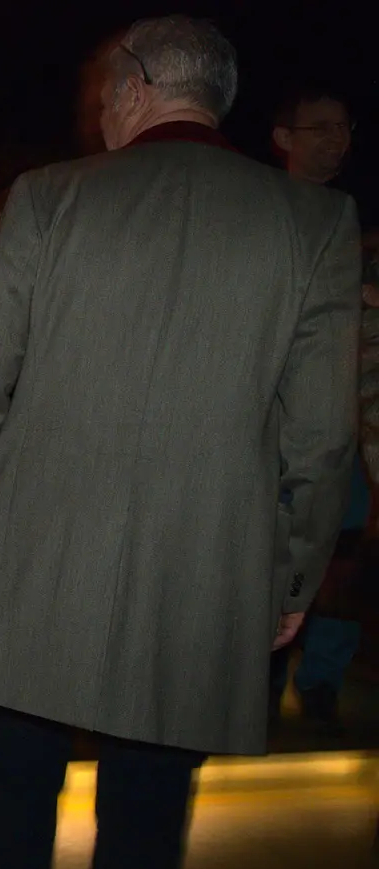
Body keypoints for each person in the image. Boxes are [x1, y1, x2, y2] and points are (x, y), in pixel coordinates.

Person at [0, 16, 361, 869]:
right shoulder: (310, 225)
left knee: (17, 794)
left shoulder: (50, 198)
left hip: (34, 549)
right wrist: (290, 575)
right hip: (203, 567)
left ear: (134, 85)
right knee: (149, 815)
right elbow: (320, 434)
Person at [268, 87, 371, 725]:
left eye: (346, 127)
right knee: (277, 538)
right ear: (285, 137)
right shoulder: (262, 208)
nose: (338, 139)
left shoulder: (351, 211)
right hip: (280, 412)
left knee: (346, 538)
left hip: (353, 414)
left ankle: (322, 679)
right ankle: (262, 673)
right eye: (321, 127)